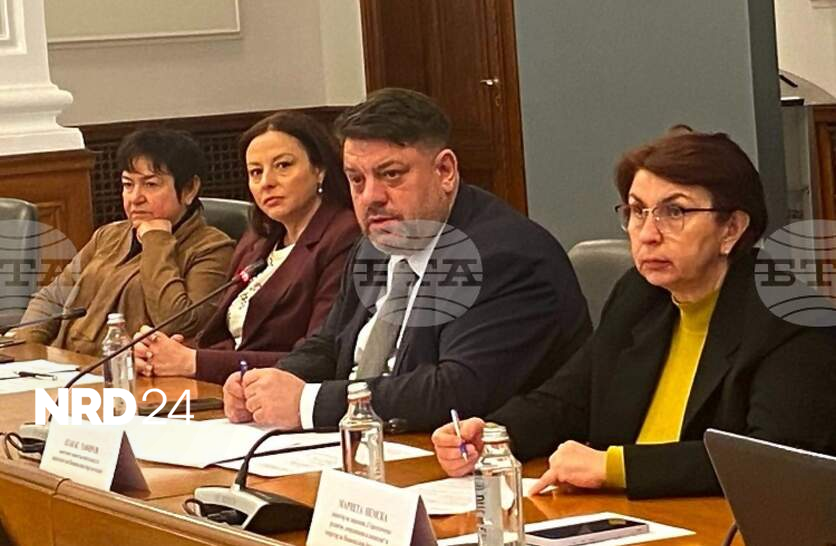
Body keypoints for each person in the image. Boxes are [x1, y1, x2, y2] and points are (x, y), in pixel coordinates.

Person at [432, 130, 836, 499]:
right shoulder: (640, 296)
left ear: (731, 229)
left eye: (674, 213)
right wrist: (495, 435)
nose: (647, 234)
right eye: (638, 211)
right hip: (625, 517)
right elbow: (568, 399)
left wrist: (613, 467)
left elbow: (769, 461)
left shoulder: (792, 319)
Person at [222, 88, 591, 431]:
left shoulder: (502, 255)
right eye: (356, 179)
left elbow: (457, 390)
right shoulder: (374, 245)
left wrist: (309, 403)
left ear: (445, 171)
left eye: (391, 175)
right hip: (366, 445)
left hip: (467, 458)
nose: (371, 197)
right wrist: (270, 384)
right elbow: (331, 343)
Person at [132, 112, 360, 384]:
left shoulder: (343, 236)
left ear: (319, 169)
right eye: (256, 172)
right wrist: (161, 351)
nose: (267, 182)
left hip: (287, 393)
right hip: (231, 389)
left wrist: (193, 361)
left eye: (283, 166)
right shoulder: (259, 240)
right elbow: (230, 338)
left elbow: (318, 358)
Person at [14, 129, 234, 355]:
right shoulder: (108, 235)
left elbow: (180, 323)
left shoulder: (213, 248)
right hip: (66, 364)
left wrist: (156, 241)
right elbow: (52, 298)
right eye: (128, 185)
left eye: (151, 185)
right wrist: (23, 349)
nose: (135, 198)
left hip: (131, 369)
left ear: (189, 189)